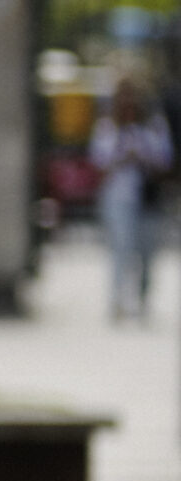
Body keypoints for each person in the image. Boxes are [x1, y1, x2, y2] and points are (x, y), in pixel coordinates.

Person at [91, 75, 170, 322]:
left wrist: (144, 156)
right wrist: (122, 155)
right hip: (118, 196)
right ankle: (118, 301)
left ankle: (143, 298)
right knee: (121, 247)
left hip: (148, 198)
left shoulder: (153, 127)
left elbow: (165, 163)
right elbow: (99, 165)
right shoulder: (108, 128)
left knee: (147, 252)